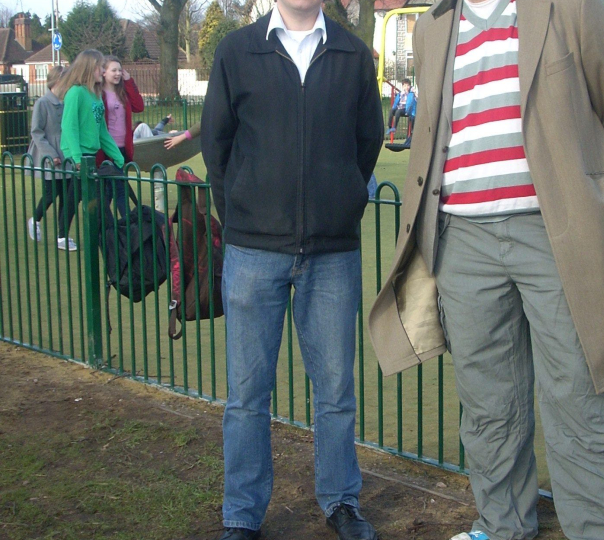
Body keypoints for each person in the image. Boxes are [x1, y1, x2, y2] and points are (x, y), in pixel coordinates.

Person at [368, 1, 604, 539]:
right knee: (488, 405)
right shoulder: (434, 26)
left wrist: (581, 182)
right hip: (461, 238)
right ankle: (503, 527)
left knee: (580, 396)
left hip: (556, 231)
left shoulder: (568, 6)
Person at [201, 0, 383, 538]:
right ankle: (242, 514)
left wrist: (342, 201)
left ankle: (341, 501)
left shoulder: (352, 53)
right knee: (247, 395)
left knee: (335, 390)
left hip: (332, 252)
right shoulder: (237, 50)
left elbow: (367, 142)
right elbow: (217, 143)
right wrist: (240, 214)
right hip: (254, 249)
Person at [54, 49, 125, 252]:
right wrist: (76, 157)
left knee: (77, 196)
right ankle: (64, 236)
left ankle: (100, 236)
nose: (103, 71)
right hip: (78, 155)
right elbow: (69, 127)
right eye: (100, 67)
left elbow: (102, 129)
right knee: (84, 197)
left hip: (90, 154)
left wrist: (118, 156)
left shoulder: (95, 94)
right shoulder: (75, 92)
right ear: (89, 68)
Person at [98, 55, 145, 218]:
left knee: (114, 189)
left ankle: (107, 225)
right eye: (114, 70)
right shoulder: (99, 93)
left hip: (123, 147)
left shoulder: (123, 91)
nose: (118, 74)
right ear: (104, 72)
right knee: (118, 189)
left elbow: (139, 106)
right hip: (107, 148)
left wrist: (129, 81)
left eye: (120, 70)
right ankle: (125, 224)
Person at [27, 66, 66, 244]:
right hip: (48, 152)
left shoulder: (66, 102)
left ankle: (62, 235)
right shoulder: (42, 102)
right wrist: (50, 154)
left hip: (65, 152)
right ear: (57, 80)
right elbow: (36, 132)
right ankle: (35, 219)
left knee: (66, 195)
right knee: (51, 192)